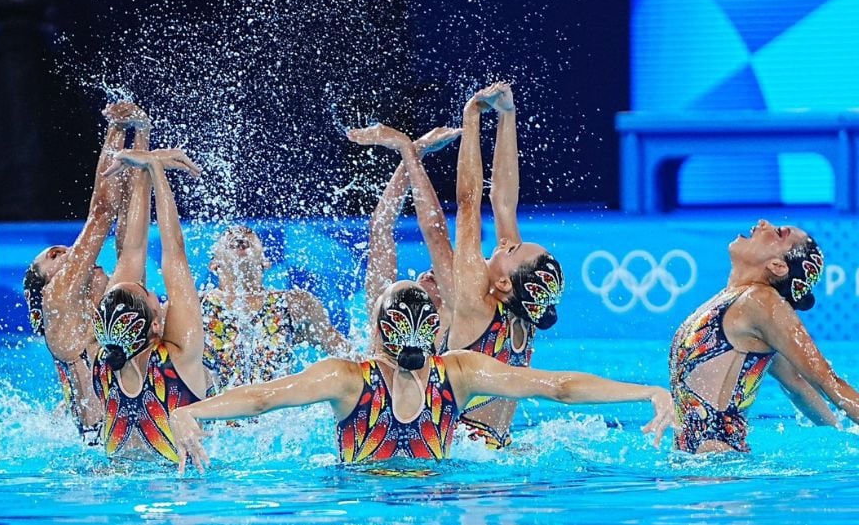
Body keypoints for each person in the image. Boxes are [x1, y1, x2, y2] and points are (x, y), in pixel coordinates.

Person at [169, 281, 675, 474]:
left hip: (360, 505)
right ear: (434, 331)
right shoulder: (458, 371)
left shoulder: (348, 379)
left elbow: (262, 400)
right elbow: (557, 386)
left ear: (377, 332)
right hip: (446, 497)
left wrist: (191, 408)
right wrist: (648, 391)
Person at [669, 220, 859, 453]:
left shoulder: (761, 301)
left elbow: (829, 382)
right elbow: (796, 384)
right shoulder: (736, 301)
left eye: (780, 233)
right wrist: (838, 432)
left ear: (778, 266)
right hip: (702, 467)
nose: (763, 223)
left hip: (718, 472)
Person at [23, 102, 148, 443]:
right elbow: (102, 213)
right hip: (101, 451)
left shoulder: (109, 308)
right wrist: (118, 127)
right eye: (56, 256)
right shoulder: (58, 303)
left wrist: (142, 142)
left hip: (143, 440)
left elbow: (131, 233)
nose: (71, 254)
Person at [449, 83, 564, 450]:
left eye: (511, 248)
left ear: (502, 282)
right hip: (500, 446)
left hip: (458, 450)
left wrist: (471, 117)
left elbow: (469, 205)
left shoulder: (475, 302)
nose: (505, 241)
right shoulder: (525, 312)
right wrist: (507, 115)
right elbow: (503, 202)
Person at [91, 146, 213, 464]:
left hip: (115, 489)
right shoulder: (179, 358)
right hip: (184, 496)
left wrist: (141, 168)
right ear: (156, 325)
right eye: (153, 297)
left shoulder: (105, 362)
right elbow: (174, 253)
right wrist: (157, 170)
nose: (157, 293)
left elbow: (131, 252)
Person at [349, 125, 461, 346]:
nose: (433, 271)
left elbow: (435, 230)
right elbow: (380, 227)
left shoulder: (454, 326)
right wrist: (415, 149)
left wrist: (407, 149)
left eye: (445, 272)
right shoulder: (386, 313)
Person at [201, 225, 351, 388]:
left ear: (265, 262)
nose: (240, 234)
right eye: (228, 233)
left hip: (276, 410)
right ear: (213, 264)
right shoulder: (195, 307)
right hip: (216, 409)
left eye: (249, 233)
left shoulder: (297, 303)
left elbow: (345, 354)